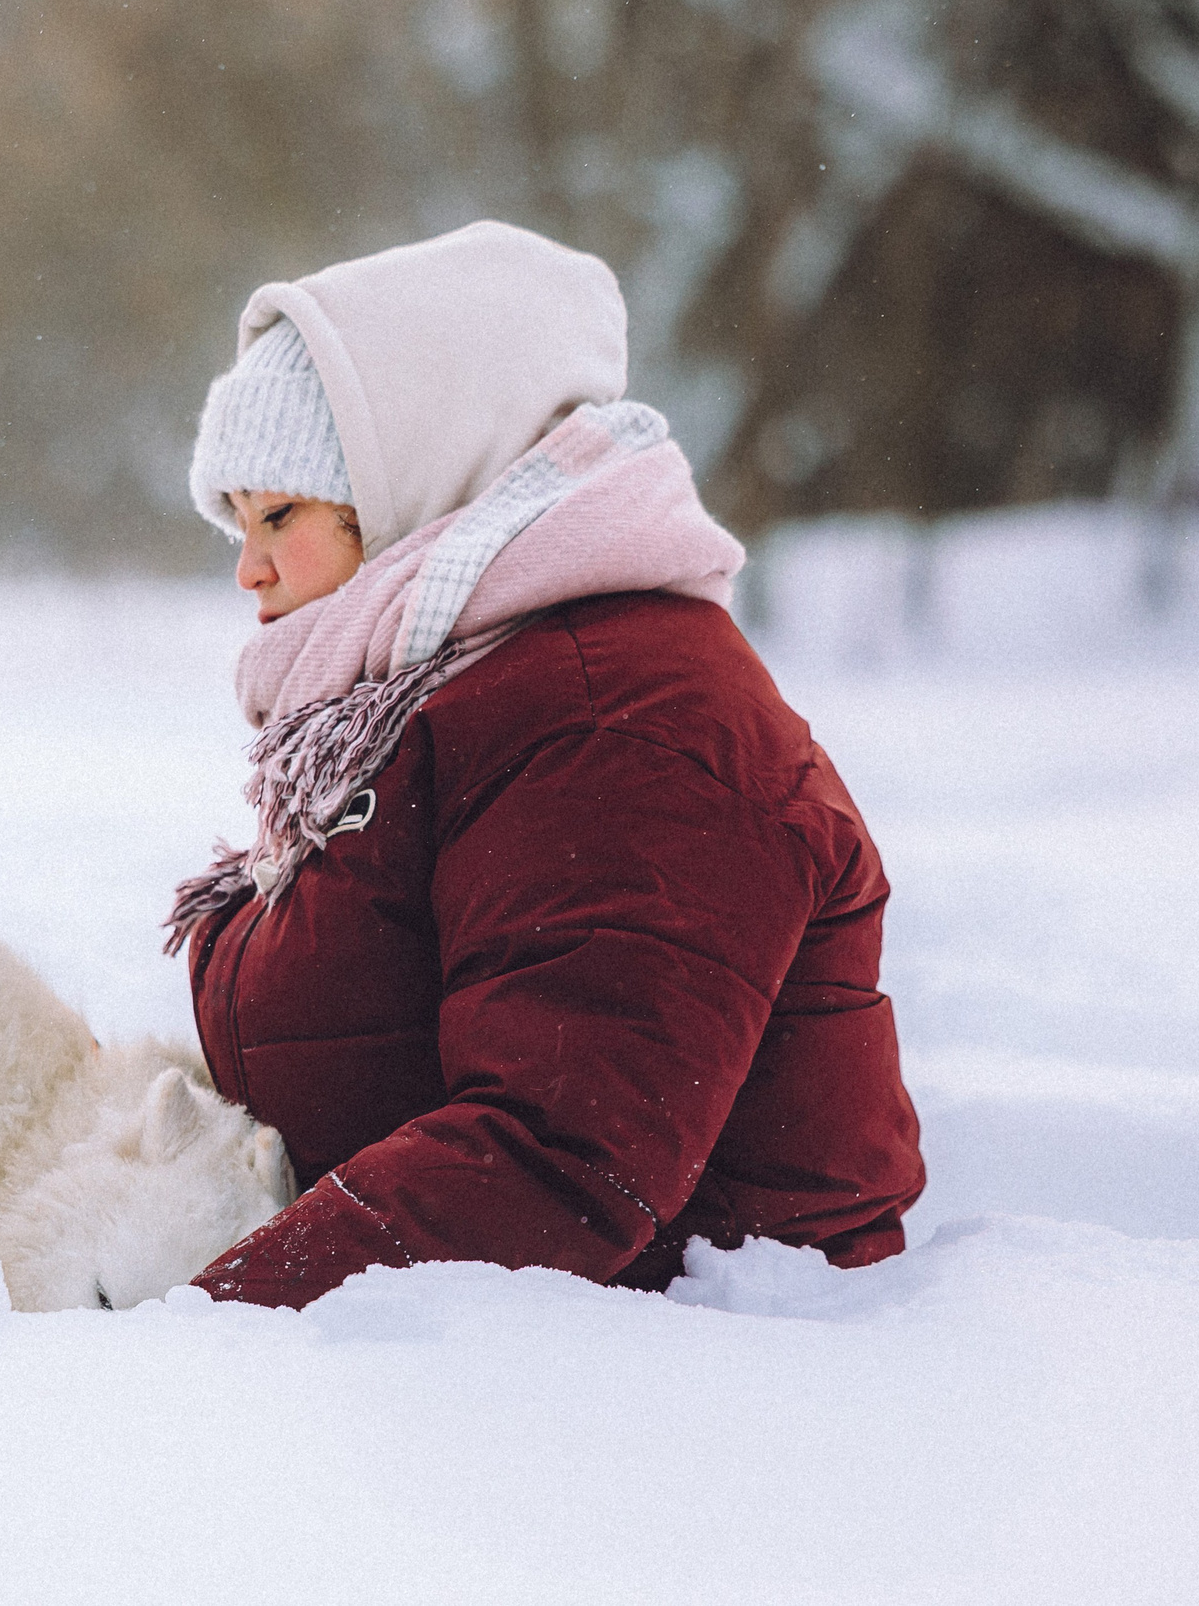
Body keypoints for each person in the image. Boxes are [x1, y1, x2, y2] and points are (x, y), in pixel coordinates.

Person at [169, 221, 925, 1306]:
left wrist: (205, 1321)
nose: (248, 567)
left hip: (703, 1387)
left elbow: (559, 1158)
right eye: (231, 523)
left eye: (277, 512)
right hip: (502, 1366)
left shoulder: (614, 722)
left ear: (410, 482)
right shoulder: (450, 692)